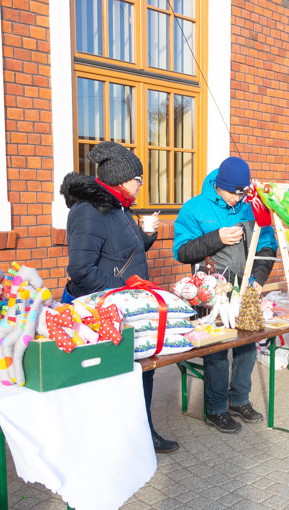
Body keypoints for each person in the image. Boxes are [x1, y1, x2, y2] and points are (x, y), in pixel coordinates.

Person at [60, 141, 179, 453]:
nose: (141, 185)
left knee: (142, 369)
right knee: (107, 378)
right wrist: (123, 291)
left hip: (124, 306)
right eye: (137, 179)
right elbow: (82, 270)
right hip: (101, 310)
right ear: (120, 179)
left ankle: (142, 432)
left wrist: (146, 234)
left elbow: (123, 254)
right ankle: (107, 443)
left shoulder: (119, 208)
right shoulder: (88, 212)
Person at [173, 157, 278, 434]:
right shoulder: (194, 208)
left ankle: (239, 400)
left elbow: (267, 245)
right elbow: (182, 251)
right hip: (212, 289)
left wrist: (258, 280)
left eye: (242, 192)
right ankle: (216, 408)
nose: (237, 198)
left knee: (247, 344)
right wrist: (217, 237)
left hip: (246, 286)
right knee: (217, 348)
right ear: (219, 185)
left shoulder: (252, 206)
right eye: (233, 192)